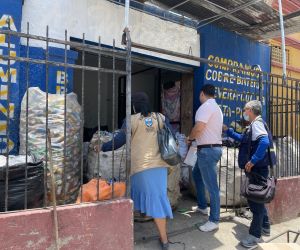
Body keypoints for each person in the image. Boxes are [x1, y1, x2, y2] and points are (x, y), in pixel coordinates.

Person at [96, 92, 173, 250]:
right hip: (161, 166)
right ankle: (152, 226)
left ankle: (165, 241)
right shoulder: (160, 117)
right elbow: (170, 136)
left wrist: (102, 147)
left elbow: (119, 141)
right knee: (156, 197)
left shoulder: (131, 120)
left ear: (133, 106)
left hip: (142, 168)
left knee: (152, 200)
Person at [223, 100, 273, 248]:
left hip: (257, 169)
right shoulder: (254, 125)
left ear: (250, 110)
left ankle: (254, 236)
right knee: (258, 199)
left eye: (245, 110)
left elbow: (264, 142)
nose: (244, 113)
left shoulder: (257, 124)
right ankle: (265, 226)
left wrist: (252, 161)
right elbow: (244, 140)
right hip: (258, 169)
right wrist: (229, 131)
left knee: (255, 203)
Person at [188, 84, 223, 232]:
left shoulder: (206, 107)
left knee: (212, 187)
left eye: (199, 95)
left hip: (208, 151)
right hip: (210, 149)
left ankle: (214, 220)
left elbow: (199, 127)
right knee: (196, 174)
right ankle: (202, 206)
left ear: (202, 94)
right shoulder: (217, 108)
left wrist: (189, 138)